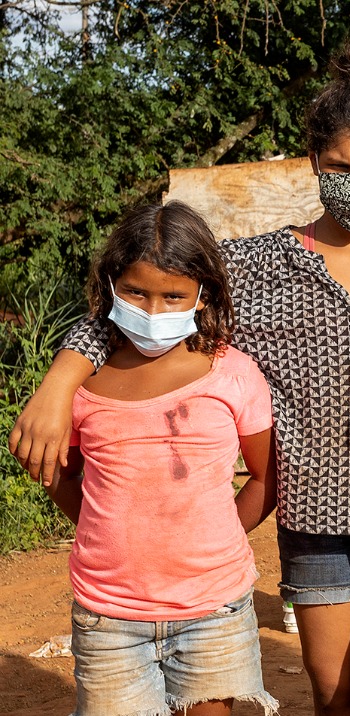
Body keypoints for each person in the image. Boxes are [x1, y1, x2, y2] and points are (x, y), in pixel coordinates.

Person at [10, 42, 350, 716]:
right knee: (334, 693)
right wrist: (59, 380)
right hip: (313, 514)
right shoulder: (253, 267)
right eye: (342, 166)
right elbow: (139, 309)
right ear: (315, 165)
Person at [42, 202, 277, 716]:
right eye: (134, 291)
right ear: (109, 284)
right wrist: (103, 530)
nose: (153, 310)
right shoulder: (80, 383)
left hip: (214, 610)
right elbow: (57, 469)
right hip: (108, 615)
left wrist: (220, 537)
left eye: (174, 295)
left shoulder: (233, 374)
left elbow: (265, 477)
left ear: (204, 293)